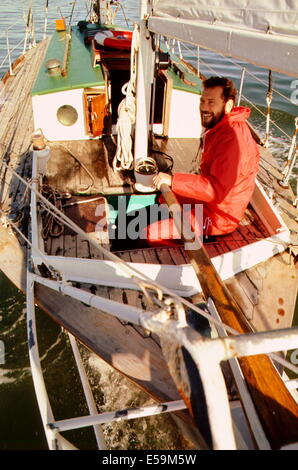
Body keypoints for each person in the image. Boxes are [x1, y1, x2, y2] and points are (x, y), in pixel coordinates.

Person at [145, 76, 260, 245]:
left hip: (220, 217)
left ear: (228, 105)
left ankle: (179, 259)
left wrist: (173, 179)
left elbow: (216, 190)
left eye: (211, 102)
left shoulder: (232, 141)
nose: (204, 108)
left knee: (152, 234)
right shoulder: (222, 128)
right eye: (202, 101)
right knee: (165, 198)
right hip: (209, 203)